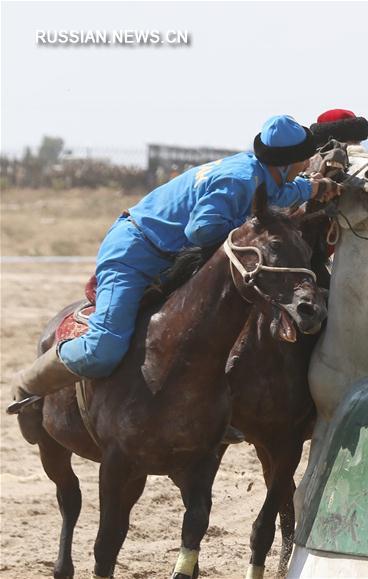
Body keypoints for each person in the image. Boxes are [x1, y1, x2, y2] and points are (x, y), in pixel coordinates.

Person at [10, 115, 342, 414]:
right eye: (304, 158)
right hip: (135, 252)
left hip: (169, 253)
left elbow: (277, 193)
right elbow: (200, 229)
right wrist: (247, 229)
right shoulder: (238, 180)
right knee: (104, 350)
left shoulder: (259, 173)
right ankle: (29, 382)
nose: (307, 163)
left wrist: (313, 186)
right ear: (287, 162)